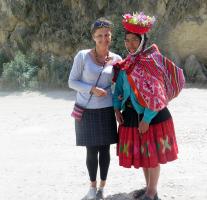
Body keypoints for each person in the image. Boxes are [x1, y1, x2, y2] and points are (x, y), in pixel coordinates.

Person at [113, 12, 185, 200]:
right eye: (127, 40)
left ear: (142, 40)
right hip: (131, 116)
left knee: (152, 156)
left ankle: (152, 192)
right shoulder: (126, 64)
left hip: (152, 117)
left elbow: (157, 95)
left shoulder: (150, 62)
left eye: (134, 40)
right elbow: (119, 89)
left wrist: (146, 119)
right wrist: (116, 108)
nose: (129, 45)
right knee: (145, 156)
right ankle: (148, 189)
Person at [68, 17, 121, 200]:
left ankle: (102, 187)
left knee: (105, 150)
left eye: (107, 35)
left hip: (106, 110)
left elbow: (119, 87)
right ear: (93, 37)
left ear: (111, 36)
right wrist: (91, 88)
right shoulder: (82, 56)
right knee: (91, 150)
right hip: (86, 110)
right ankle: (92, 187)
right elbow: (71, 81)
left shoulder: (117, 59)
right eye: (100, 35)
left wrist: (117, 109)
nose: (104, 38)